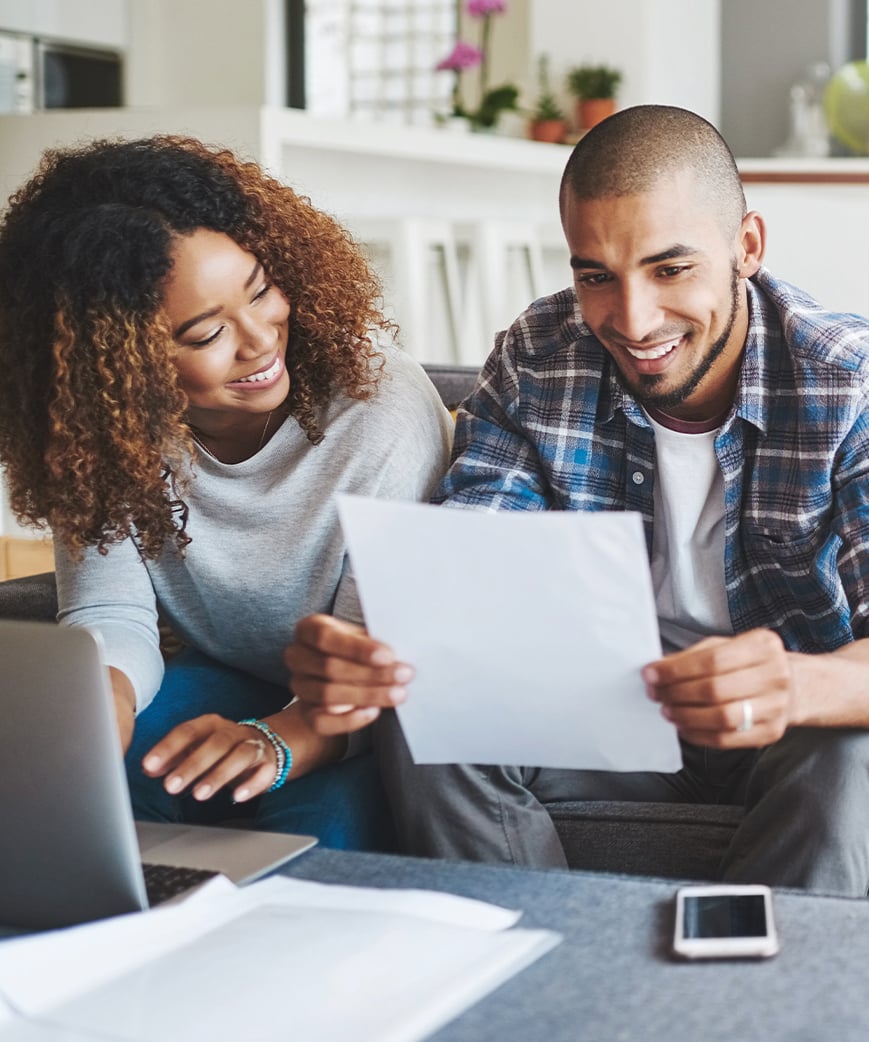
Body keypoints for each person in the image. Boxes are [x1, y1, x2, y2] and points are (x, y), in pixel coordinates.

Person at [287, 105, 869, 896]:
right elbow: (474, 550)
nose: (630, 321)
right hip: (607, 709)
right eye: (595, 274)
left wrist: (796, 686)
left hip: (789, 723)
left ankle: (751, 1012)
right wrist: (379, 648)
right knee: (431, 708)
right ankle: (530, 977)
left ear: (747, 248)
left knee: (847, 750)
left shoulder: (848, 385)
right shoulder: (541, 355)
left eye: (670, 270)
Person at [0, 134, 452, 849]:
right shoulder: (102, 431)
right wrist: (99, 709)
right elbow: (112, 611)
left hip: (360, 711)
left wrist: (277, 742)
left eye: (263, 290)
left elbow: (378, 659)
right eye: (205, 332)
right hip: (224, 676)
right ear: (117, 360)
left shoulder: (378, 407)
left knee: (322, 838)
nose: (259, 341)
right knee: (93, 798)